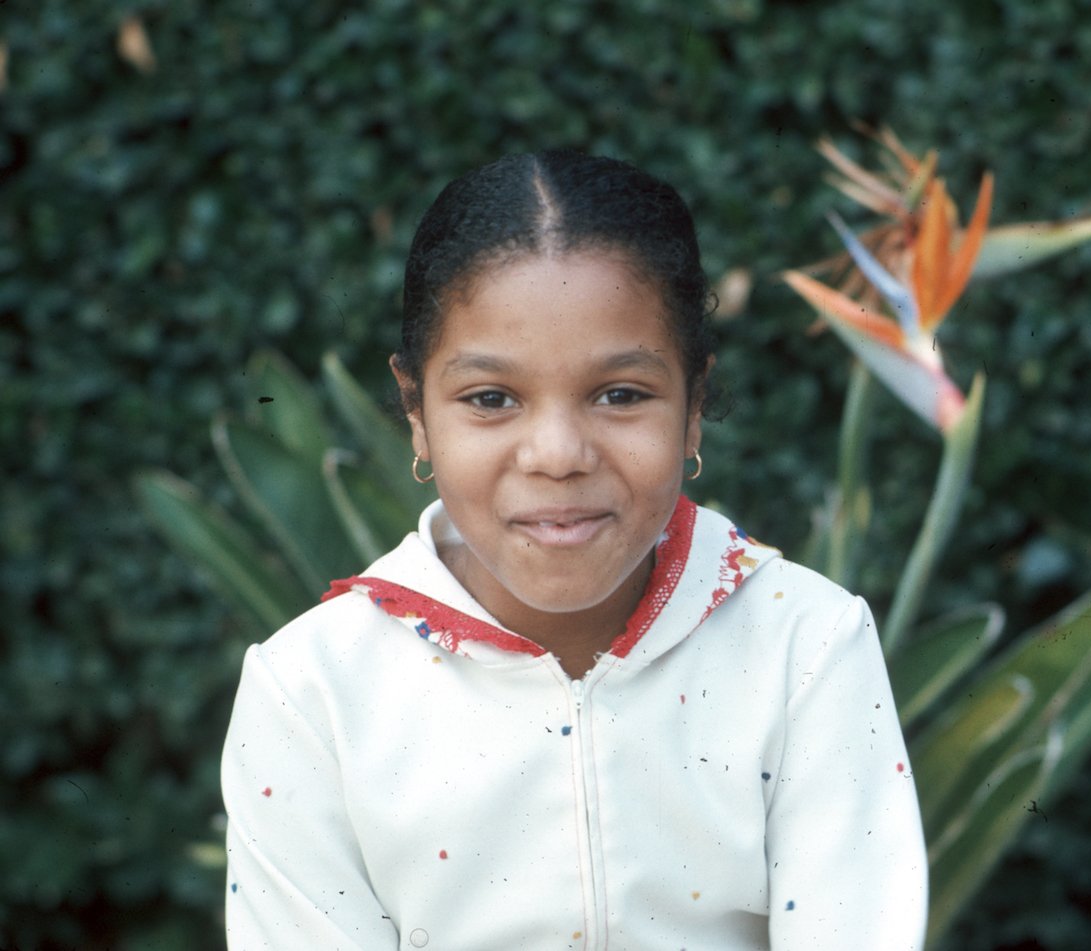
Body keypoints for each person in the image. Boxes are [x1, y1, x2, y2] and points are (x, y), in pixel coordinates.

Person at [221, 150, 927, 950]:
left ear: (694, 406)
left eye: (620, 394)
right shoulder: (313, 692)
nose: (557, 453)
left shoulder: (805, 646)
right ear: (417, 412)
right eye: (491, 399)